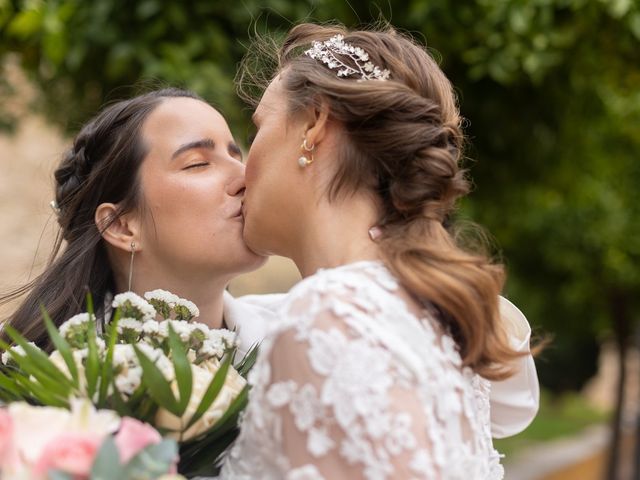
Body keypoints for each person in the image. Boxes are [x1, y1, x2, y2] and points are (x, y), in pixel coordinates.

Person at [0, 84, 534, 445]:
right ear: (123, 226)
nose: (242, 175)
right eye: (198, 162)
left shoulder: (306, 325)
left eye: (238, 150)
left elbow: (506, 399)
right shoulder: (52, 389)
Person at [220, 23, 533, 479]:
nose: (242, 171)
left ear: (315, 124)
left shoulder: (331, 314)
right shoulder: (432, 319)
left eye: (258, 126)